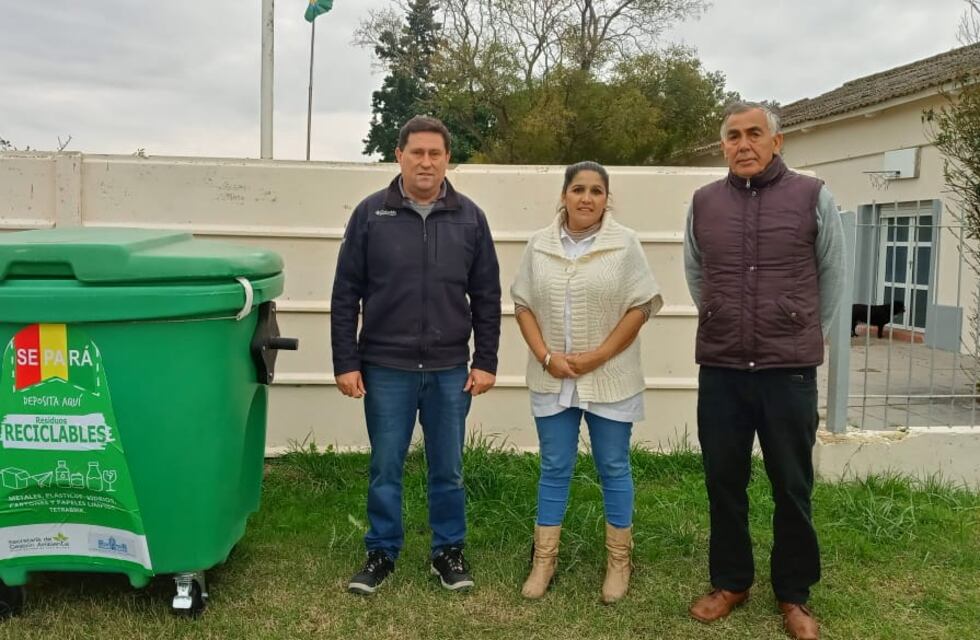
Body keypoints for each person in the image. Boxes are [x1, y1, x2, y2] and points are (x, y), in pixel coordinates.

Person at [683, 102, 846, 640]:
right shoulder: (703, 202)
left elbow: (832, 274)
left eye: (755, 133)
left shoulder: (812, 195)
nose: (743, 144)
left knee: (791, 486)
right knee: (723, 481)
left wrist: (797, 328)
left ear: (778, 142)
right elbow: (696, 271)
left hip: (788, 370)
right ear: (723, 145)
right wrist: (722, 315)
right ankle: (731, 582)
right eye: (733, 136)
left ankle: (793, 594)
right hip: (723, 367)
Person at [331, 115, 502, 595]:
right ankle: (381, 551)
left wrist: (485, 359)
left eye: (435, 153)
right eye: (417, 152)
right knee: (386, 465)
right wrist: (346, 361)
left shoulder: (470, 217)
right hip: (386, 368)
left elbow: (487, 295)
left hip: (450, 369)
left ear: (448, 159)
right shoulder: (370, 214)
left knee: (447, 467)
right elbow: (346, 292)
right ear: (399, 155)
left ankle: (448, 551)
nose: (426, 162)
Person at [510, 161, 662, 604]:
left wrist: (598, 356)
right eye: (578, 189)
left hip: (611, 377)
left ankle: (618, 562)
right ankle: (544, 561)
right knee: (555, 466)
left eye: (597, 191)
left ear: (606, 199)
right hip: (551, 376)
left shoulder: (625, 244)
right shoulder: (538, 245)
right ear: (563, 195)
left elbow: (641, 306)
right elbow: (523, 305)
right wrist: (546, 356)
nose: (586, 198)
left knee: (613, 466)